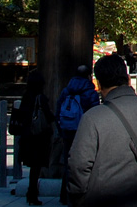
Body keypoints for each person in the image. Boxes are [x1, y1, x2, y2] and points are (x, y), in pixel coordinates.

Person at [68, 54, 137, 207]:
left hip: (105, 198)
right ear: (128, 79)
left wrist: (78, 195)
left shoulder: (92, 117)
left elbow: (79, 164)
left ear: (99, 84)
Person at [56, 65, 100, 205]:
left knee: (68, 162)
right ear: (89, 75)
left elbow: (58, 109)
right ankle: (80, 193)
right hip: (83, 130)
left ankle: (64, 195)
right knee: (84, 161)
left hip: (67, 129)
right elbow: (95, 111)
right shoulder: (90, 92)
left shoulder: (66, 90)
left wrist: (60, 127)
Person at [19, 71, 55, 206]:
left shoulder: (26, 96)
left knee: (33, 167)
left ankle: (31, 192)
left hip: (27, 135)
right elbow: (48, 116)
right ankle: (32, 193)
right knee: (36, 167)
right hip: (39, 136)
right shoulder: (40, 98)